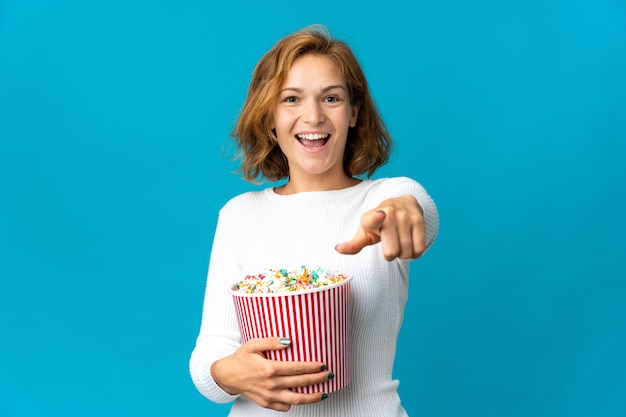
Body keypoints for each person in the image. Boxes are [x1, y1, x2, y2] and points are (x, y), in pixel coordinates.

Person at [189, 25, 439, 416]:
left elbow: (415, 211)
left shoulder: (387, 196)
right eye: (291, 99)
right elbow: (212, 353)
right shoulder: (239, 213)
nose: (313, 116)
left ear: (354, 112)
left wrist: (404, 211)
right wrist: (227, 373)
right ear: (270, 117)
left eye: (331, 98)